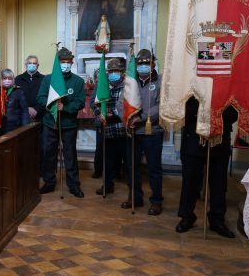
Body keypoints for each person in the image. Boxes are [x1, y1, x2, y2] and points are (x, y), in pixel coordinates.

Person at [177, 97, 237, 238]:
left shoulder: (226, 85)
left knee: (219, 184)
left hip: (219, 139)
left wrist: (216, 115)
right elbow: (182, 108)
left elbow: (234, 113)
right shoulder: (191, 83)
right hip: (193, 138)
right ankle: (187, 216)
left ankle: (217, 220)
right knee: (190, 182)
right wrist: (203, 113)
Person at [37, 47, 85, 198]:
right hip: (50, 123)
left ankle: (73, 185)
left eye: (68, 62)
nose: (65, 64)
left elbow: (80, 102)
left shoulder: (78, 81)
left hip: (69, 124)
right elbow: (40, 98)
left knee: (70, 155)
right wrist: (52, 105)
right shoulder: (48, 79)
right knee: (49, 154)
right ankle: (49, 182)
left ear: (72, 63)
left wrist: (66, 107)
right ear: (58, 63)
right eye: (62, 62)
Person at [122, 49, 164, 215]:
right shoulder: (130, 80)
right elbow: (121, 103)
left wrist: (142, 117)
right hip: (132, 132)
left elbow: (162, 106)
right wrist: (128, 118)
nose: (143, 67)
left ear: (153, 64)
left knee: (154, 168)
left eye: (146, 63)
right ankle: (135, 197)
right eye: (140, 64)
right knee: (132, 167)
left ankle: (156, 201)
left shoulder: (161, 81)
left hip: (151, 131)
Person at [92, 58, 126, 195]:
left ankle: (133, 191)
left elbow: (131, 105)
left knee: (128, 162)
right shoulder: (102, 84)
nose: (113, 73)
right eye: (111, 71)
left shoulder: (128, 85)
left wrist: (115, 113)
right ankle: (107, 185)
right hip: (107, 130)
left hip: (123, 130)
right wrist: (99, 113)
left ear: (122, 72)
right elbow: (94, 103)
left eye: (116, 71)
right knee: (108, 161)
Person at [0, 69, 29, 134]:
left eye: (9, 78)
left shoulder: (19, 92)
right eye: (4, 78)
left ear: (13, 80)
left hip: (14, 126)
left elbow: (24, 111)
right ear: (1, 79)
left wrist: (25, 128)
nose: (7, 80)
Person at [15, 55, 45, 122]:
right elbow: (15, 97)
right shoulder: (18, 79)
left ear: (38, 65)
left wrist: (37, 109)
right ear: (26, 65)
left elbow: (46, 97)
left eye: (34, 63)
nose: (32, 65)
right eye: (30, 63)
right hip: (22, 116)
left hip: (40, 116)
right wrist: (26, 109)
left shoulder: (44, 79)